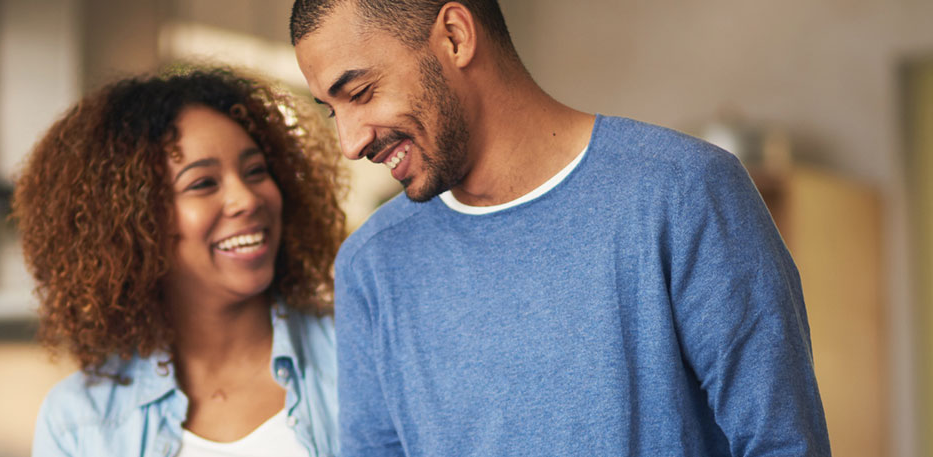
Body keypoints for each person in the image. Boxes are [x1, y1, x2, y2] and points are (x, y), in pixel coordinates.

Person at [288, 1, 832, 455]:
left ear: (455, 37)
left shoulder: (683, 192)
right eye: (332, 110)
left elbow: (782, 444)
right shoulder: (372, 266)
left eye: (359, 94)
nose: (351, 142)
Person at [14, 67, 346, 457]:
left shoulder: (358, 352)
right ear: (132, 224)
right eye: (203, 183)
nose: (247, 199)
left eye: (256, 171)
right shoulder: (78, 422)